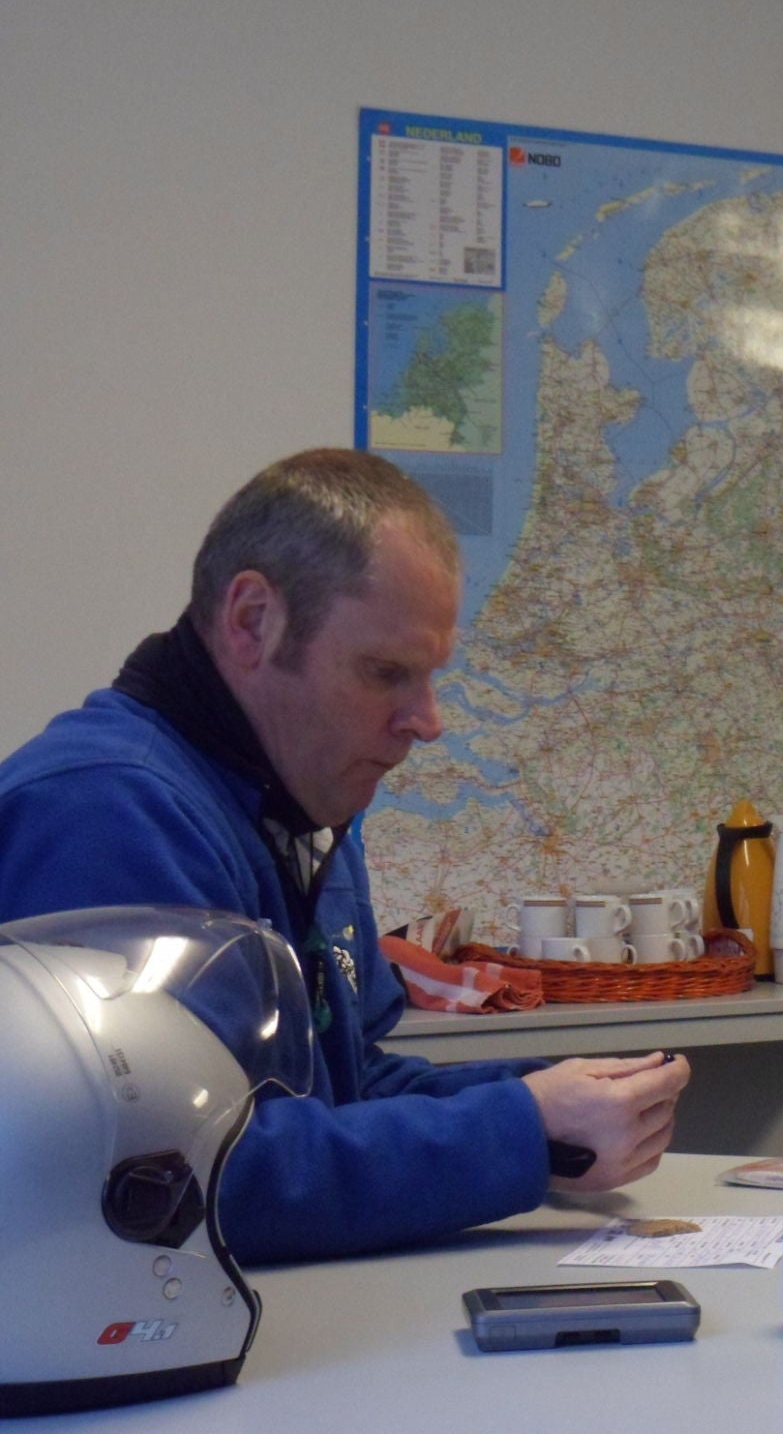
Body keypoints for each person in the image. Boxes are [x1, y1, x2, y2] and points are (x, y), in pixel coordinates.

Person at [0, 449, 691, 1261]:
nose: (427, 721)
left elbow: (343, 1086)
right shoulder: (102, 811)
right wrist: (519, 1130)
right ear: (252, 622)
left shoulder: (295, 803)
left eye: (428, 676)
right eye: (386, 672)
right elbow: (173, 1177)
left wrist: (547, 1096)